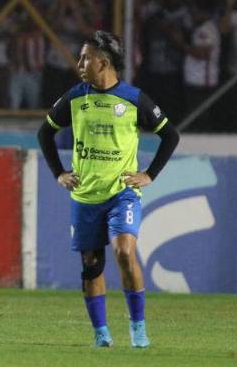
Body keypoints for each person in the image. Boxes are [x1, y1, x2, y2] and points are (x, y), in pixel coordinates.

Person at [37, 31, 180, 348]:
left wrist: (149, 175)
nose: (80, 63)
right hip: (86, 195)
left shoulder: (133, 98)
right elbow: (44, 133)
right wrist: (59, 172)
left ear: (103, 62)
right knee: (91, 264)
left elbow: (171, 135)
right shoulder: (76, 97)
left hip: (122, 193)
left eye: (85, 57)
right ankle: (102, 335)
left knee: (125, 252)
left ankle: (138, 329)